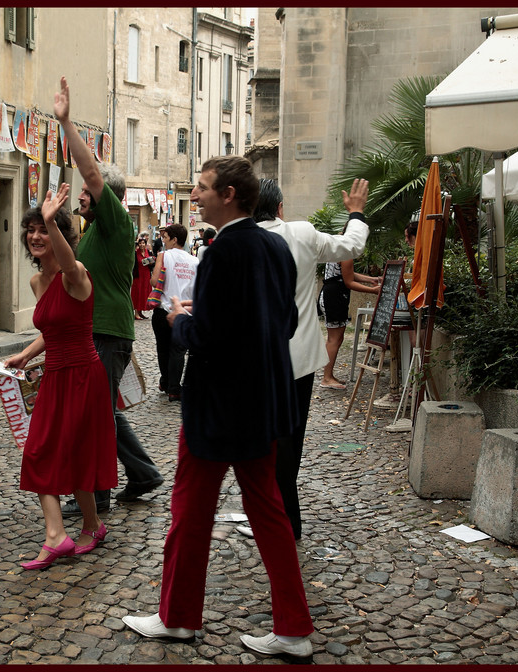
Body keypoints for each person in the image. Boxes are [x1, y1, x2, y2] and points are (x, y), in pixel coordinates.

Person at [122, 156, 313, 658]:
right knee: (269, 512)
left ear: (228, 194)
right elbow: (286, 322)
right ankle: (293, 627)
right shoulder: (274, 245)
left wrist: (180, 319)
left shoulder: (224, 252)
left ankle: (179, 617)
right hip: (262, 403)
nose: (196, 196)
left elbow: (208, 338)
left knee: (190, 508)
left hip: (217, 407)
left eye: (203, 188)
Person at [9, 77, 163, 512]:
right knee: (102, 412)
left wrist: (65, 122)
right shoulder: (91, 230)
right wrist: (32, 350)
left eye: (84, 193)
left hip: (105, 333)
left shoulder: (114, 223)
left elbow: (91, 171)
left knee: (93, 417)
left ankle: (98, 494)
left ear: (104, 197)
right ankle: (139, 474)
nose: (79, 196)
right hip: (89, 332)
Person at [4, 184, 117, 570]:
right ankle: (91, 525)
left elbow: (69, 265)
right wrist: (26, 353)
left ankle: (57, 537)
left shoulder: (76, 274)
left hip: (84, 376)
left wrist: (54, 221)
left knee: (59, 453)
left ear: (60, 236)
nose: (36, 236)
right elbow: (51, 329)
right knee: (55, 452)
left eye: (44, 229)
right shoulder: (38, 283)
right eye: (32, 229)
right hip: (55, 375)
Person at [252, 177, 369, 540]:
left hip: (253, 362)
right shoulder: (301, 233)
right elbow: (352, 245)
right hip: (297, 359)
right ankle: (288, 517)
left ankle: (269, 512)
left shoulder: (235, 241)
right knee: (290, 441)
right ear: (280, 208)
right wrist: (355, 212)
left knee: (259, 444)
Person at [149, 224, 199, 401]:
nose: (163, 241)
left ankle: (166, 380)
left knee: (163, 349)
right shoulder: (194, 261)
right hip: (184, 311)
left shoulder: (164, 255)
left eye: (165, 237)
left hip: (164, 310)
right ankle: (174, 388)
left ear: (174, 239)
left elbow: (155, 281)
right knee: (178, 351)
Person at [317, 253, 380, 390]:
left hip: (332, 294)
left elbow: (348, 273)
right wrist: (373, 290)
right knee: (334, 338)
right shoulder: (345, 252)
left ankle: (329, 375)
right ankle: (326, 378)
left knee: (337, 338)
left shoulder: (339, 248)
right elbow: (349, 282)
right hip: (334, 297)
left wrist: (371, 279)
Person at [131, 235, 153, 320]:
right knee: (138, 293)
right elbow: (133, 265)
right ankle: (136, 312)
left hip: (146, 276)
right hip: (138, 276)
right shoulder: (135, 253)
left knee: (144, 293)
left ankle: (141, 311)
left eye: (143, 243)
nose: (142, 245)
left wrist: (151, 262)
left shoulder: (149, 252)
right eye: (140, 243)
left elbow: (153, 263)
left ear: (145, 244)